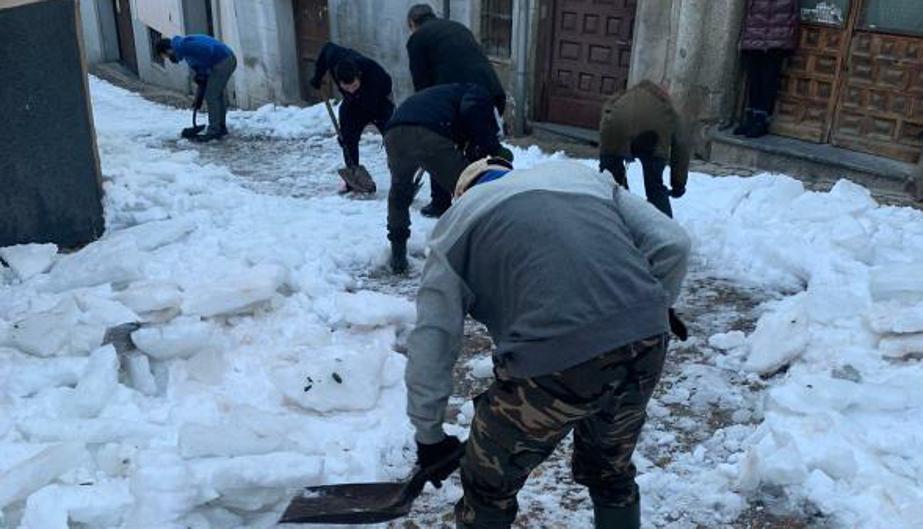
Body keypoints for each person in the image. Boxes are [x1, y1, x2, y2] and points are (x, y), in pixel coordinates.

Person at [404, 158, 691, 529]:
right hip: (646, 341)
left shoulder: (456, 225)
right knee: (610, 470)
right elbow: (674, 244)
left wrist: (429, 436)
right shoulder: (583, 178)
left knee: (488, 482)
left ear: (462, 195)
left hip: (553, 364)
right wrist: (651, 313)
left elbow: (433, 338)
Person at [383, 83, 511, 274]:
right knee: (469, 190)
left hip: (394, 133)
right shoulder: (478, 93)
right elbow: (473, 112)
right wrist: (493, 149)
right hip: (429, 135)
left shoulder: (444, 95)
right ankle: (476, 251)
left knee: (399, 194)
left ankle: (398, 254)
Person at [406, 3, 507, 218]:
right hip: (490, 92)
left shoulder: (418, 38)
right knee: (480, 148)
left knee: (441, 146)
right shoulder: (458, 27)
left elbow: (421, 82)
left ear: (412, 24)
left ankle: (442, 203)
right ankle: (487, 198)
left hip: (461, 99)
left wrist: (426, 114)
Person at [598, 80, 691, 218]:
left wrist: (607, 158)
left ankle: (615, 217)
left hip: (614, 131)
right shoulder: (666, 108)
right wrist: (678, 185)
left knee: (611, 181)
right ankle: (665, 229)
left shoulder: (622, 98)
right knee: (655, 186)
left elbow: (606, 115)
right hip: (653, 139)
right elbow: (681, 146)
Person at [310, 42, 394, 193]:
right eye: (346, 87)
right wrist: (317, 76)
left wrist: (369, 104)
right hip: (353, 105)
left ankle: (400, 178)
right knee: (347, 139)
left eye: (354, 86)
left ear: (359, 76)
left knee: (393, 138)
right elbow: (326, 48)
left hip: (378, 103)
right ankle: (353, 176)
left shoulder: (374, 71)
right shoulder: (334, 57)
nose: (350, 89)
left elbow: (387, 85)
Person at [734, 0, 799, 138]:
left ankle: (761, 121)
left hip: (777, 39)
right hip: (755, 36)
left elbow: (792, 15)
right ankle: (750, 117)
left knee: (768, 81)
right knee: (754, 79)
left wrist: (789, 39)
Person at [155, 35, 237, 142]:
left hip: (223, 61)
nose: (170, 59)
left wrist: (204, 71)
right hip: (223, 60)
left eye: (166, 56)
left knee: (212, 95)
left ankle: (214, 131)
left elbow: (208, 51)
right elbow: (200, 67)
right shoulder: (183, 49)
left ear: (168, 50)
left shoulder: (186, 46)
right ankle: (220, 127)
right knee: (215, 94)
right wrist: (199, 93)